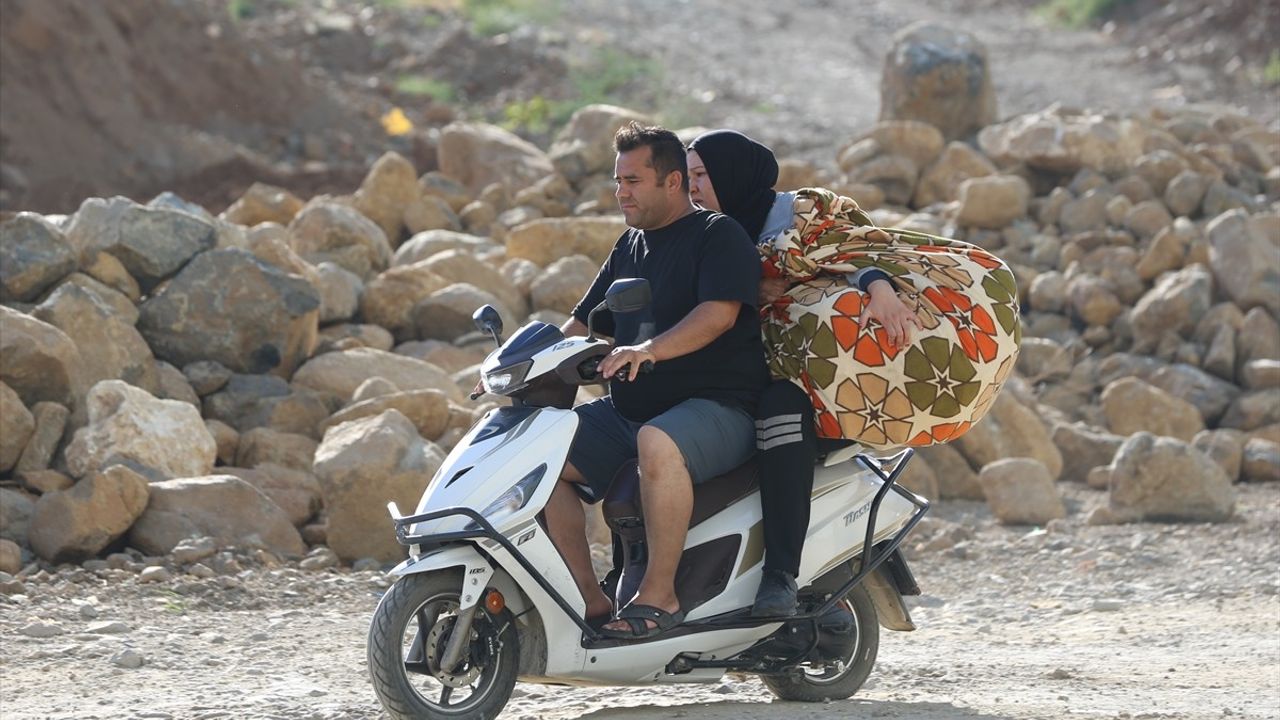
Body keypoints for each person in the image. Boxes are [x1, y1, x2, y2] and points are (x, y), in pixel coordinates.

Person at [685, 129, 1022, 616]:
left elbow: (859, 250)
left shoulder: (799, 212)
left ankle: (779, 576)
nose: (693, 187)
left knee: (782, 418)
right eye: (689, 175)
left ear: (732, 174)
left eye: (702, 175)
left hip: (810, 387)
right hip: (738, 370)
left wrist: (879, 288)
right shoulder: (704, 233)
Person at [546, 122, 770, 640]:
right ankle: (591, 600)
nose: (621, 191)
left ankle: (660, 595)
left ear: (673, 182)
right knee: (545, 453)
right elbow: (580, 323)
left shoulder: (717, 235)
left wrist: (648, 349)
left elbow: (718, 315)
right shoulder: (630, 245)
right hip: (630, 411)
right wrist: (521, 366)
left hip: (719, 408)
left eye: (633, 181)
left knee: (658, 441)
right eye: (618, 181)